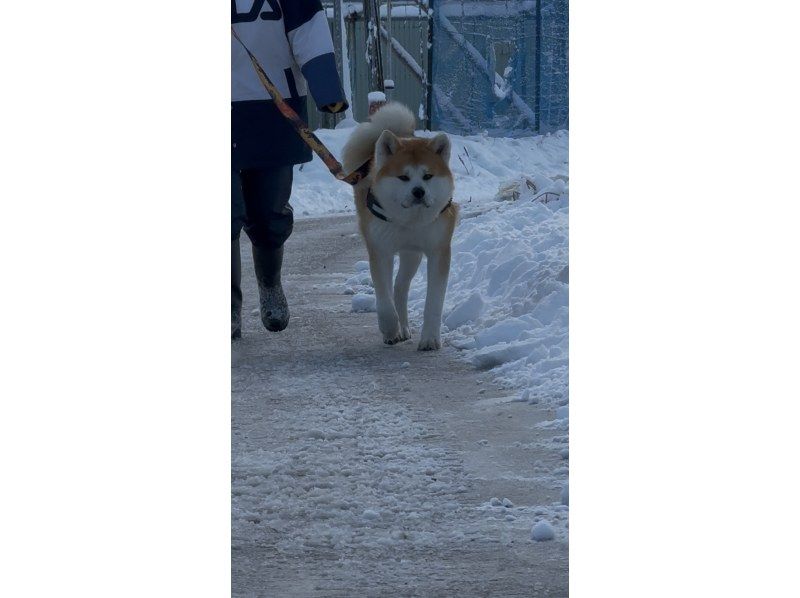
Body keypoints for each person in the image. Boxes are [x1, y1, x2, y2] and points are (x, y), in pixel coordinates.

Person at [231, 0, 348, 339]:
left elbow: (309, 30)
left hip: (273, 108)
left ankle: (270, 286)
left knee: (269, 212)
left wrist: (326, 88)